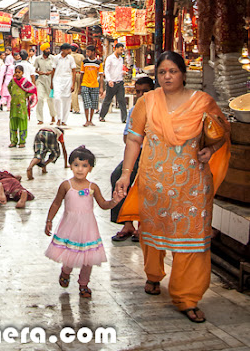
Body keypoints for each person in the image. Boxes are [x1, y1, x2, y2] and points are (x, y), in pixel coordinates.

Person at [116, 51, 230, 323]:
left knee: (192, 241)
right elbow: (134, 139)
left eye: (172, 71)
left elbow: (221, 131)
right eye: (162, 72)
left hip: (192, 185)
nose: (167, 76)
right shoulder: (148, 101)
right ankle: (154, 276)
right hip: (154, 182)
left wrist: (211, 149)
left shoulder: (202, 102)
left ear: (183, 74)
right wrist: (125, 174)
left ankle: (187, 297)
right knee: (153, 232)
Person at [45, 146, 121, 297]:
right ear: (70, 165)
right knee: (70, 255)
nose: (80, 169)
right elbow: (56, 203)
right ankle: (66, 272)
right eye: (76, 165)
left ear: (90, 168)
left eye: (84, 166)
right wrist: (49, 220)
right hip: (70, 227)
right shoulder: (66, 185)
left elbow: (104, 205)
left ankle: (84, 284)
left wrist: (115, 201)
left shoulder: (93, 187)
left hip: (88, 229)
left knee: (88, 258)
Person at [110, 76, 154, 241]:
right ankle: (127, 223)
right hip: (137, 153)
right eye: (138, 92)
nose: (141, 95)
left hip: (156, 155)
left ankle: (144, 225)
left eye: (145, 91)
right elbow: (127, 138)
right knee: (117, 177)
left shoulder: (160, 109)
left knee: (146, 183)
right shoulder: (133, 111)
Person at [7, 65, 37, 148]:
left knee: (22, 123)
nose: (17, 74)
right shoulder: (13, 81)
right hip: (13, 106)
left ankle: (22, 141)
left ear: (22, 73)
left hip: (22, 106)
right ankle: (13, 141)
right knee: (13, 124)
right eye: (16, 72)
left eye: (19, 72)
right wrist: (13, 94)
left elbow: (33, 89)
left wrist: (25, 95)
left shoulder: (25, 82)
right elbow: (9, 87)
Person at [99, 42, 127, 123]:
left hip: (120, 82)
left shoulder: (121, 59)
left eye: (122, 50)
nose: (122, 51)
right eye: (121, 50)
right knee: (108, 100)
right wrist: (109, 80)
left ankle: (124, 118)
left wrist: (122, 72)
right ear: (116, 48)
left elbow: (118, 70)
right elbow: (106, 71)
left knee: (122, 100)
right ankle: (102, 116)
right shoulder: (110, 58)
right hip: (111, 83)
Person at [51, 43, 76, 127]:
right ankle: (58, 118)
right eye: (68, 49)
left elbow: (74, 71)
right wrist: (51, 83)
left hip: (67, 80)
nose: (70, 51)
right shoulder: (56, 58)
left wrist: (73, 83)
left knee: (66, 100)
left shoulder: (71, 58)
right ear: (63, 50)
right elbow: (53, 71)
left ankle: (64, 120)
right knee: (57, 98)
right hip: (57, 79)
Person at [80, 46, 104, 127]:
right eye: (86, 52)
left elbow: (101, 76)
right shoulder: (84, 62)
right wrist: (80, 85)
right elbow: (82, 74)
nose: (87, 53)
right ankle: (86, 120)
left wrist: (101, 87)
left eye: (88, 52)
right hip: (85, 84)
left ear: (93, 52)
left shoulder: (98, 63)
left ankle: (91, 120)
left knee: (94, 103)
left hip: (95, 85)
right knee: (86, 103)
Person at [34, 43, 56, 125]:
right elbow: (35, 69)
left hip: (50, 80)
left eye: (48, 49)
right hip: (41, 80)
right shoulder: (38, 59)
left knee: (50, 99)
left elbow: (55, 69)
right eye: (47, 49)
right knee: (40, 98)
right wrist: (39, 72)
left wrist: (50, 72)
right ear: (43, 50)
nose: (48, 50)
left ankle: (53, 116)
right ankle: (40, 119)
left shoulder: (53, 58)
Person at [70, 44, 84, 114]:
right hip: (79, 74)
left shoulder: (69, 56)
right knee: (76, 91)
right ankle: (76, 109)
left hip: (71, 74)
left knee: (73, 91)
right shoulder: (81, 56)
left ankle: (72, 107)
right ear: (77, 49)